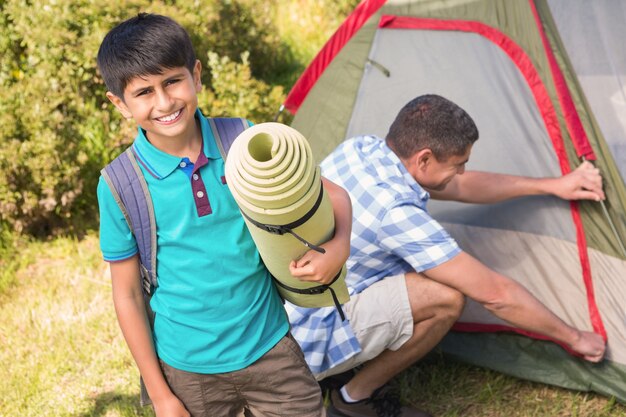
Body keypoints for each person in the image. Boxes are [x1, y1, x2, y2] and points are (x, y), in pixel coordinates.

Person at [286, 94, 607, 417]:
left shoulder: (363, 148)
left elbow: (461, 187)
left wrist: (553, 185)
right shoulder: (396, 213)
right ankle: (354, 398)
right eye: (458, 164)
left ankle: (346, 369)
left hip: (295, 307)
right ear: (424, 159)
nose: (463, 171)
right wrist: (575, 337)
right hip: (308, 342)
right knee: (447, 298)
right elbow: (496, 295)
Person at [96, 13, 352, 417]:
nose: (164, 103)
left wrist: (339, 246)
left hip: (271, 348)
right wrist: (163, 397)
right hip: (187, 371)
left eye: (172, 81)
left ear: (196, 76)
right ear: (120, 104)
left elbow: (332, 195)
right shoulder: (119, 184)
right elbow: (126, 295)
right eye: (144, 92)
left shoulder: (243, 141)